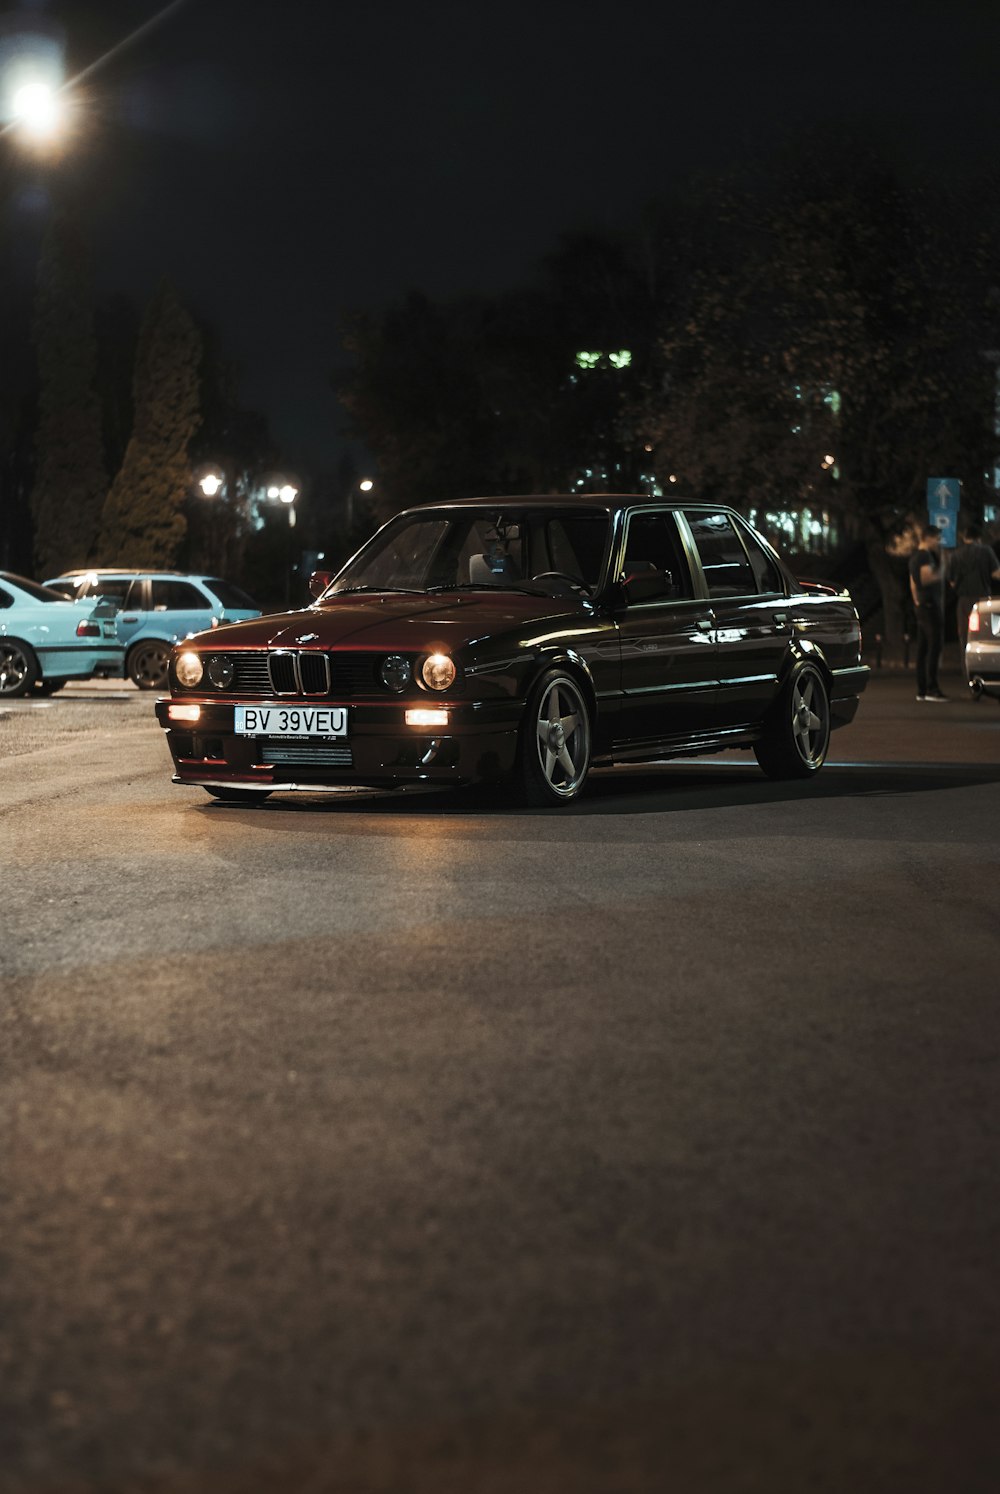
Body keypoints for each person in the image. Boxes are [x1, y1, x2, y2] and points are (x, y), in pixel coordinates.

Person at [948, 522, 1000, 663]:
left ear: (965, 538)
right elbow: (996, 574)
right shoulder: (986, 551)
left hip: (963, 601)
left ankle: (967, 672)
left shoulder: (955, 555)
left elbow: (952, 583)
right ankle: (984, 666)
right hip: (983, 600)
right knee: (986, 637)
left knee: (965, 638)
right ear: (979, 538)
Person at [908, 524, 948, 701]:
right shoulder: (924, 556)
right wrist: (943, 571)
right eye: (937, 538)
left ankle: (922, 690)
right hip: (930, 607)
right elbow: (925, 579)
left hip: (922, 606)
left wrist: (917, 601)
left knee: (923, 649)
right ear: (929, 538)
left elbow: (913, 583)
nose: (938, 542)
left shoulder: (915, 556)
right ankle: (932, 689)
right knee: (934, 646)